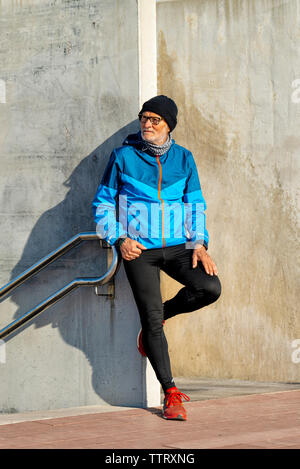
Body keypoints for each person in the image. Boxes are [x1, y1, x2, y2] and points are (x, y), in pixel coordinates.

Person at [92, 95, 221, 420]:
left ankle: (164, 313)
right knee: (149, 321)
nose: (147, 125)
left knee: (210, 288)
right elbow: (102, 204)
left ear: (168, 126)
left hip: (179, 246)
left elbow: (195, 204)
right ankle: (171, 392)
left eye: (155, 120)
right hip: (139, 250)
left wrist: (200, 243)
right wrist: (119, 239)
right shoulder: (122, 157)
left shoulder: (184, 158)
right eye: (144, 118)